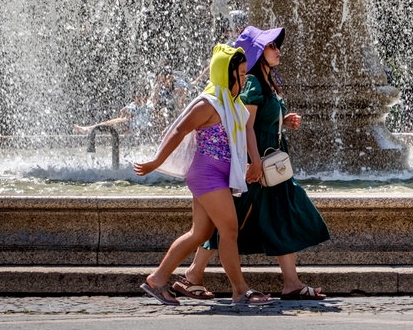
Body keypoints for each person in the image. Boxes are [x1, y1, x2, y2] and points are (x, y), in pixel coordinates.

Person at [173, 26, 330, 301]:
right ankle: (192, 274)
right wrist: (253, 164)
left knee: (273, 212)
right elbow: (246, 125)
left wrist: (283, 120)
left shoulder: (265, 81)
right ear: (258, 52)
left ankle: (290, 282)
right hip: (256, 166)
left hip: (269, 165)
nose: (277, 50)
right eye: (271, 46)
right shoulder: (255, 83)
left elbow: (259, 121)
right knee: (226, 220)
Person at [134, 44, 273, 306]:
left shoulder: (233, 103)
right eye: (240, 74)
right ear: (226, 74)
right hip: (206, 174)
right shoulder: (208, 104)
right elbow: (177, 131)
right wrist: (155, 162)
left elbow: (246, 130)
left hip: (219, 175)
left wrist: (254, 162)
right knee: (229, 229)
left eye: (245, 73)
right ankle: (240, 291)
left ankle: (157, 279)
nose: (244, 80)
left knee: (200, 233)